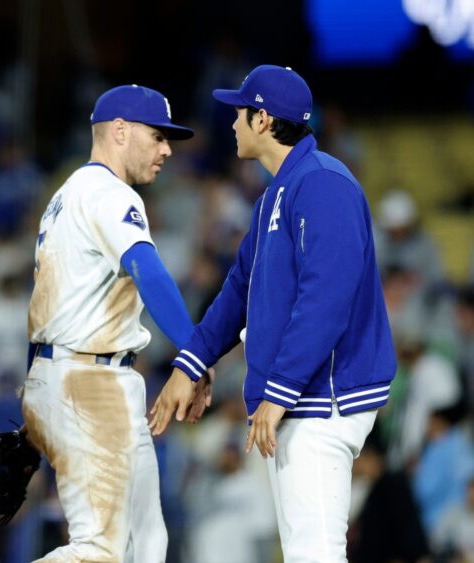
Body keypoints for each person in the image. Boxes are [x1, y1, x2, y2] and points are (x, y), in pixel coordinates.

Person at [150, 65, 397, 562]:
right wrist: (190, 364)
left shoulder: (324, 183)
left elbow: (326, 298)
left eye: (240, 112)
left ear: (263, 120)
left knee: (316, 554)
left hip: (326, 396)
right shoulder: (278, 193)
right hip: (301, 397)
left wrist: (279, 390)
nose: (232, 123)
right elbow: (239, 288)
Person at [23, 84, 210, 562]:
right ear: (121, 131)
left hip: (71, 373)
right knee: (101, 550)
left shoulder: (66, 195)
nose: (167, 149)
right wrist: (195, 354)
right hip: (89, 382)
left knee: (147, 545)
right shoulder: (108, 193)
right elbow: (150, 271)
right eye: (158, 135)